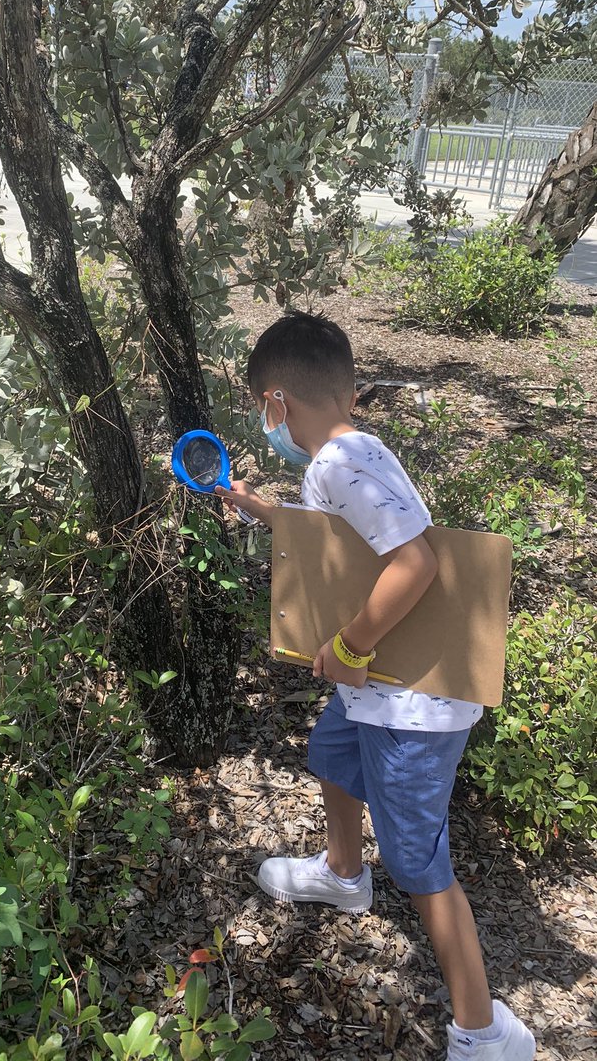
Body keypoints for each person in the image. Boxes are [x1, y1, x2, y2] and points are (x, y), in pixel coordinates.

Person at [215, 312, 535, 1061]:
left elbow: (415, 563)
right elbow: (347, 546)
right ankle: (341, 872)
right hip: (378, 694)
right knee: (330, 756)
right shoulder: (351, 453)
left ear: (275, 404)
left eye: (263, 414)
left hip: (409, 705)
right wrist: (264, 510)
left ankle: (481, 1031)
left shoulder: (335, 463)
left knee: (423, 866)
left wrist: (351, 645)